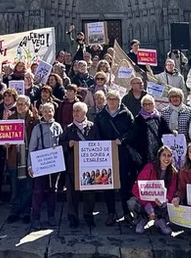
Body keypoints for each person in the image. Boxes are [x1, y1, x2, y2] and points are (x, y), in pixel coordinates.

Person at [92, 89, 136, 225]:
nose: (112, 101)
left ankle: (126, 211)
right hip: (106, 153)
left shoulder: (126, 113)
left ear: (119, 100)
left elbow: (132, 131)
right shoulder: (100, 116)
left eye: (115, 99)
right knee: (107, 181)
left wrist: (122, 140)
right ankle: (111, 212)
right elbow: (96, 134)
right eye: (110, 99)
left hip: (122, 151)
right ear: (106, 100)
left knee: (124, 181)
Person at [60, 100, 96, 228]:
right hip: (72, 166)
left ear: (84, 112)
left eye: (78, 111)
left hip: (89, 168)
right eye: (74, 111)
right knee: (72, 195)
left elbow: (100, 145)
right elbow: (60, 146)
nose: (75, 113)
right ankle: (73, 218)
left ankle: (88, 216)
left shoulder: (93, 127)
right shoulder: (68, 128)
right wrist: (67, 145)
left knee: (89, 195)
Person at [28, 101, 63, 228]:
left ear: (53, 112)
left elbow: (61, 144)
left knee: (52, 190)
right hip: (40, 163)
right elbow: (32, 148)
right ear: (41, 112)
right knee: (38, 191)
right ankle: (36, 217)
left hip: (54, 163)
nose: (48, 113)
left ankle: (51, 216)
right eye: (46, 111)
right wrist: (30, 165)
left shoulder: (58, 126)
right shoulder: (37, 128)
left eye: (51, 111)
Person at [130, 146, 178, 235]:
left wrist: (165, 201)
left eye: (169, 155)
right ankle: (142, 218)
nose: (166, 158)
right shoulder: (149, 168)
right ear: (159, 157)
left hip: (160, 203)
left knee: (176, 201)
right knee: (132, 202)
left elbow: (172, 190)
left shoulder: (173, 172)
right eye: (164, 155)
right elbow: (137, 188)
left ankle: (160, 219)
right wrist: (147, 205)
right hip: (146, 202)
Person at [6, 95, 39, 224]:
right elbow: (4, 137)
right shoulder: (11, 118)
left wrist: (36, 117)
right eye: (18, 104)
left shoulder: (33, 118)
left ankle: (26, 212)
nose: (20, 106)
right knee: (15, 187)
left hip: (29, 158)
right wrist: (6, 144)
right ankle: (14, 212)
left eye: (22, 104)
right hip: (15, 157)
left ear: (28, 105)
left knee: (28, 187)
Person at [130, 96, 171, 169]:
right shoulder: (138, 119)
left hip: (158, 150)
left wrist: (173, 133)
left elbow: (166, 131)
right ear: (142, 106)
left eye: (150, 104)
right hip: (145, 152)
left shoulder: (159, 117)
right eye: (145, 104)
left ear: (154, 105)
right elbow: (134, 136)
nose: (148, 106)